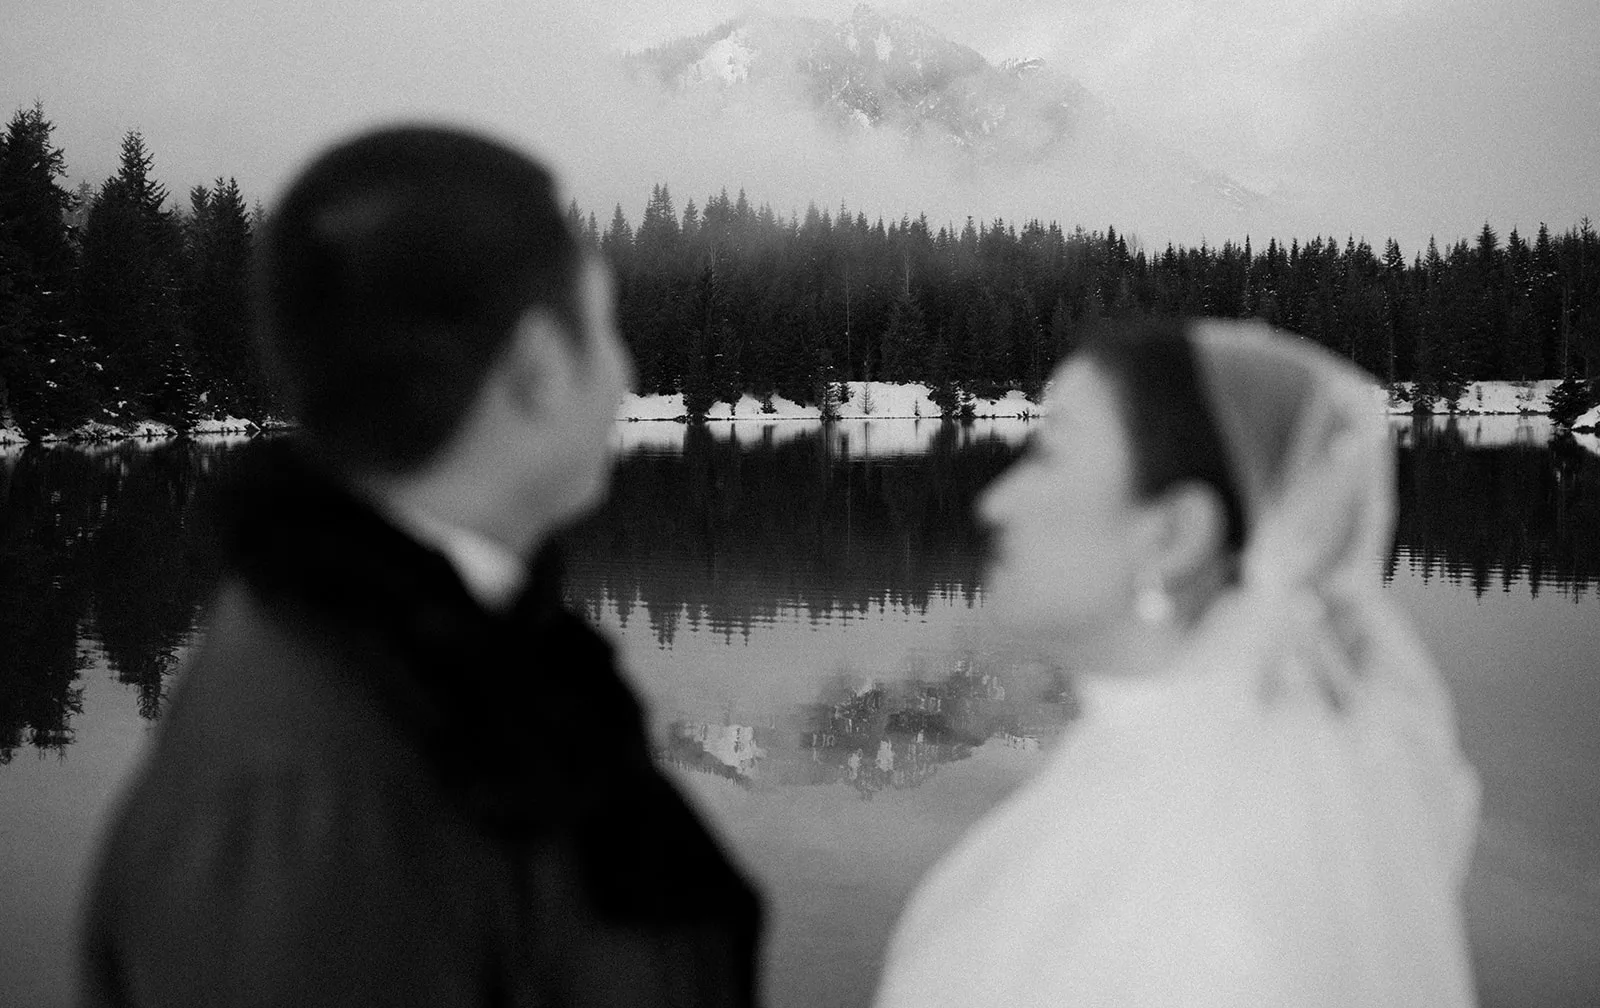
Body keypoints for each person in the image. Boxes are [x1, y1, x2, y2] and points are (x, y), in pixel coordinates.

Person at [80, 126, 762, 1007]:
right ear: (537, 369)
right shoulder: (306, 805)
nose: (625, 375)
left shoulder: (454, 667)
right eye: (605, 326)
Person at [874, 319, 1479, 1007]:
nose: (995, 501)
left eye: (1047, 453)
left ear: (1173, 534)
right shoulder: (1157, 773)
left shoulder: (1205, 908)